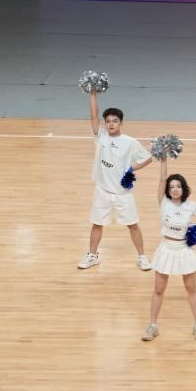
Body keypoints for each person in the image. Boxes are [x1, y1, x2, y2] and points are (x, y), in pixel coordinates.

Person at [78, 92, 153, 271]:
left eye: (115, 121)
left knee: (132, 225)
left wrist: (130, 169)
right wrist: (93, 94)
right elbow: (93, 117)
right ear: (105, 124)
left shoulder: (130, 142)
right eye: (108, 121)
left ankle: (142, 257)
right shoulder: (101, 137)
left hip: (122, 193)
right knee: (97, 224)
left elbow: (148, 158)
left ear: (121, 123)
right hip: (102, 190)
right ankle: (92, 256)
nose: (111, 124)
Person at [142, 160, 196, 342]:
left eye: (178, 186)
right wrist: (163, 159)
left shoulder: (191, 205)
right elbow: (162, 178)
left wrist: (194, 227)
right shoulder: (164, 202)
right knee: (159, 289)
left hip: (183, 250)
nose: (174, 189)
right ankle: (152, 326)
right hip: (166, 249)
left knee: (191, 288)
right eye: (171, 187)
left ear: (183, 188)